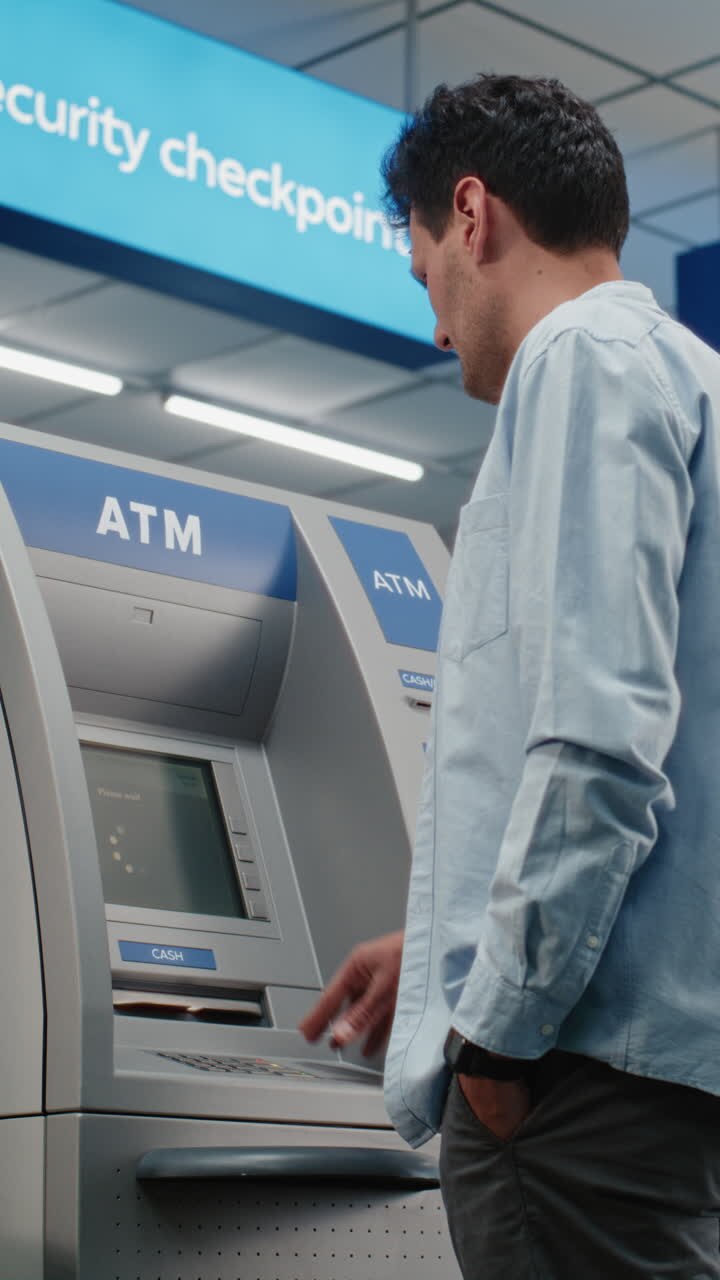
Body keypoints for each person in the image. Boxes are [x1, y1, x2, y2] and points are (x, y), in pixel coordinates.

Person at [301, 73, 720, 1279]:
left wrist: (496, 1033)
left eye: (426, 270)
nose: (435, 326)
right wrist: (446, 940)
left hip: (575, 1087)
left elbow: (597, 740)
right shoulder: (687, 373)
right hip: (654, 1081)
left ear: (472, 215)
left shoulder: (580, 361)